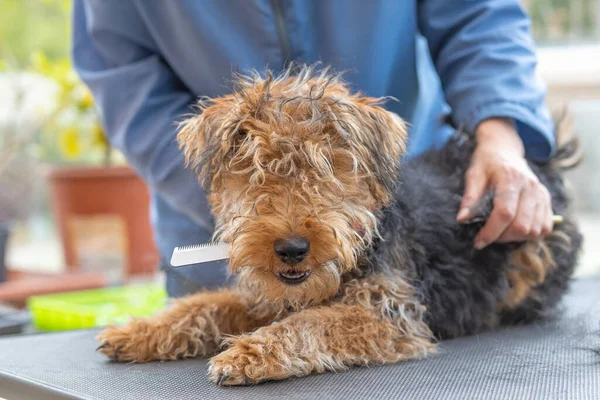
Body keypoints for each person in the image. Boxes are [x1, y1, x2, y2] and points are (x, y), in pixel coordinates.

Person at [72, 1, 556, 298]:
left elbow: (477, 15)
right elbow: (123, 76)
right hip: (208, 235)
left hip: (405, 206)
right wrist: (231, 197)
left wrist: (500, 130)